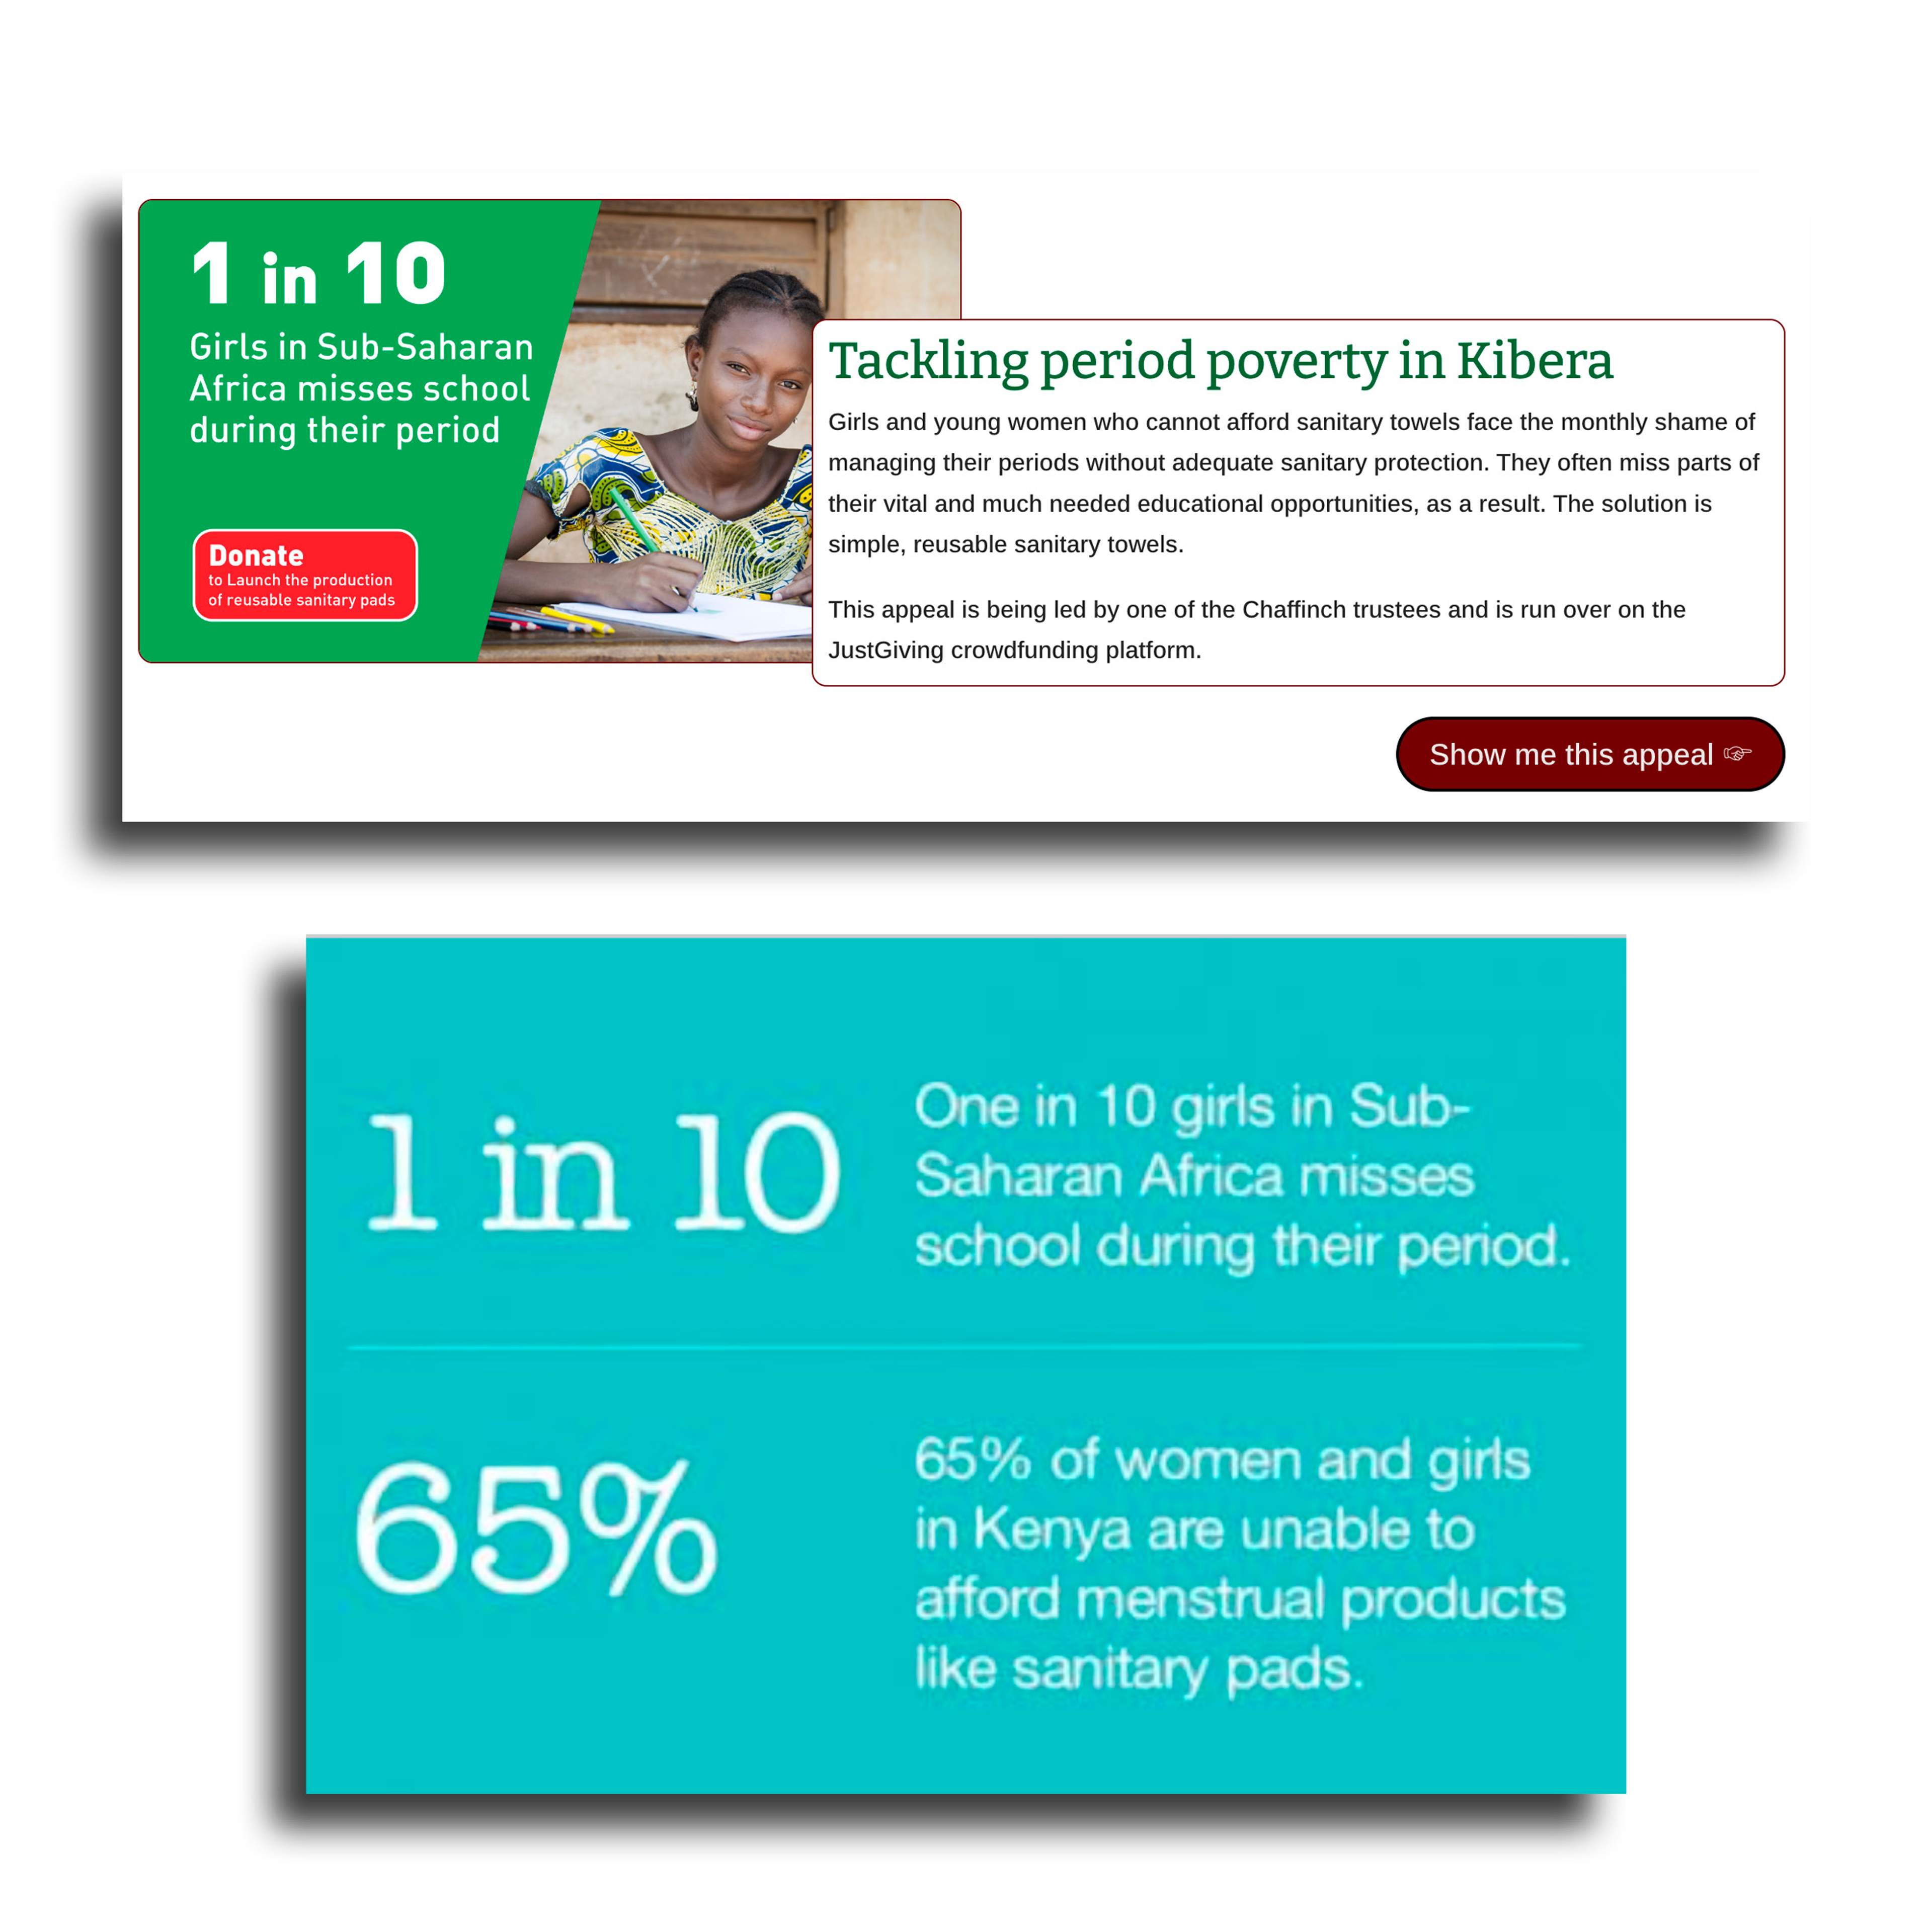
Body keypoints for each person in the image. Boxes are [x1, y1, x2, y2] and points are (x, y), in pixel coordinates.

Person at [500, 269, 821, 614]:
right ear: (697, 360)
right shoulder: (608, 463)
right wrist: (601, 582)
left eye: (790, 384)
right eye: (739, 368)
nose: (760, 402)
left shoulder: (818, 477)